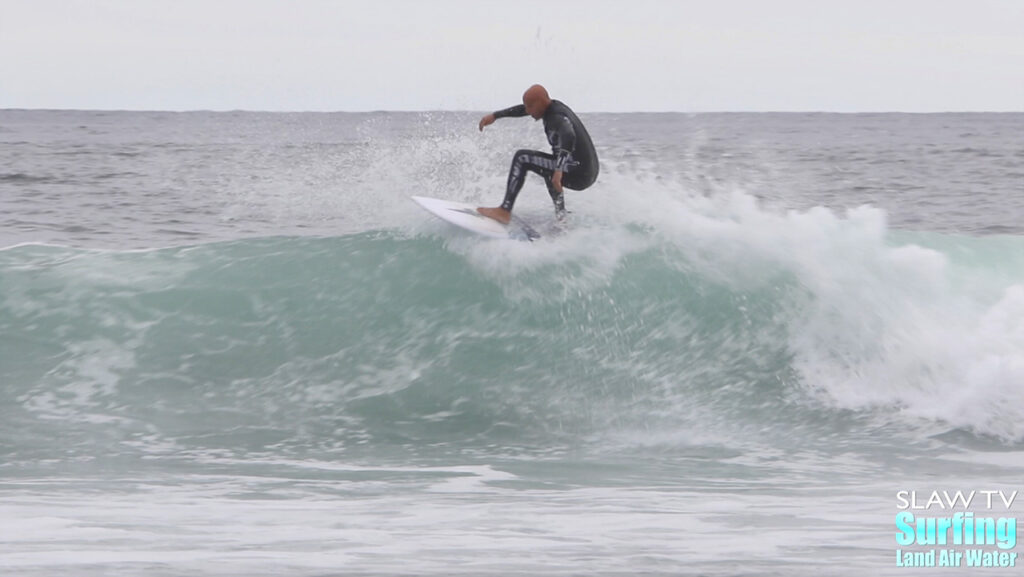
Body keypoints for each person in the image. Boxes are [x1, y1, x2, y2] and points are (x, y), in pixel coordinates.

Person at [477, 84, 599, 224]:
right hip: (588, 173)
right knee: (547, 168)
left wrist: (559, 170)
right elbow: (523, 109)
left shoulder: (556, 117)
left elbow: (569, 135)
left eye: (530, 107)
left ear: (540, 103)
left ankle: (504, 211)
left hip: (578, 172)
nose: (527, 111)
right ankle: (562, 217)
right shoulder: (551, 107)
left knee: (522, 158)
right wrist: (495, 116)